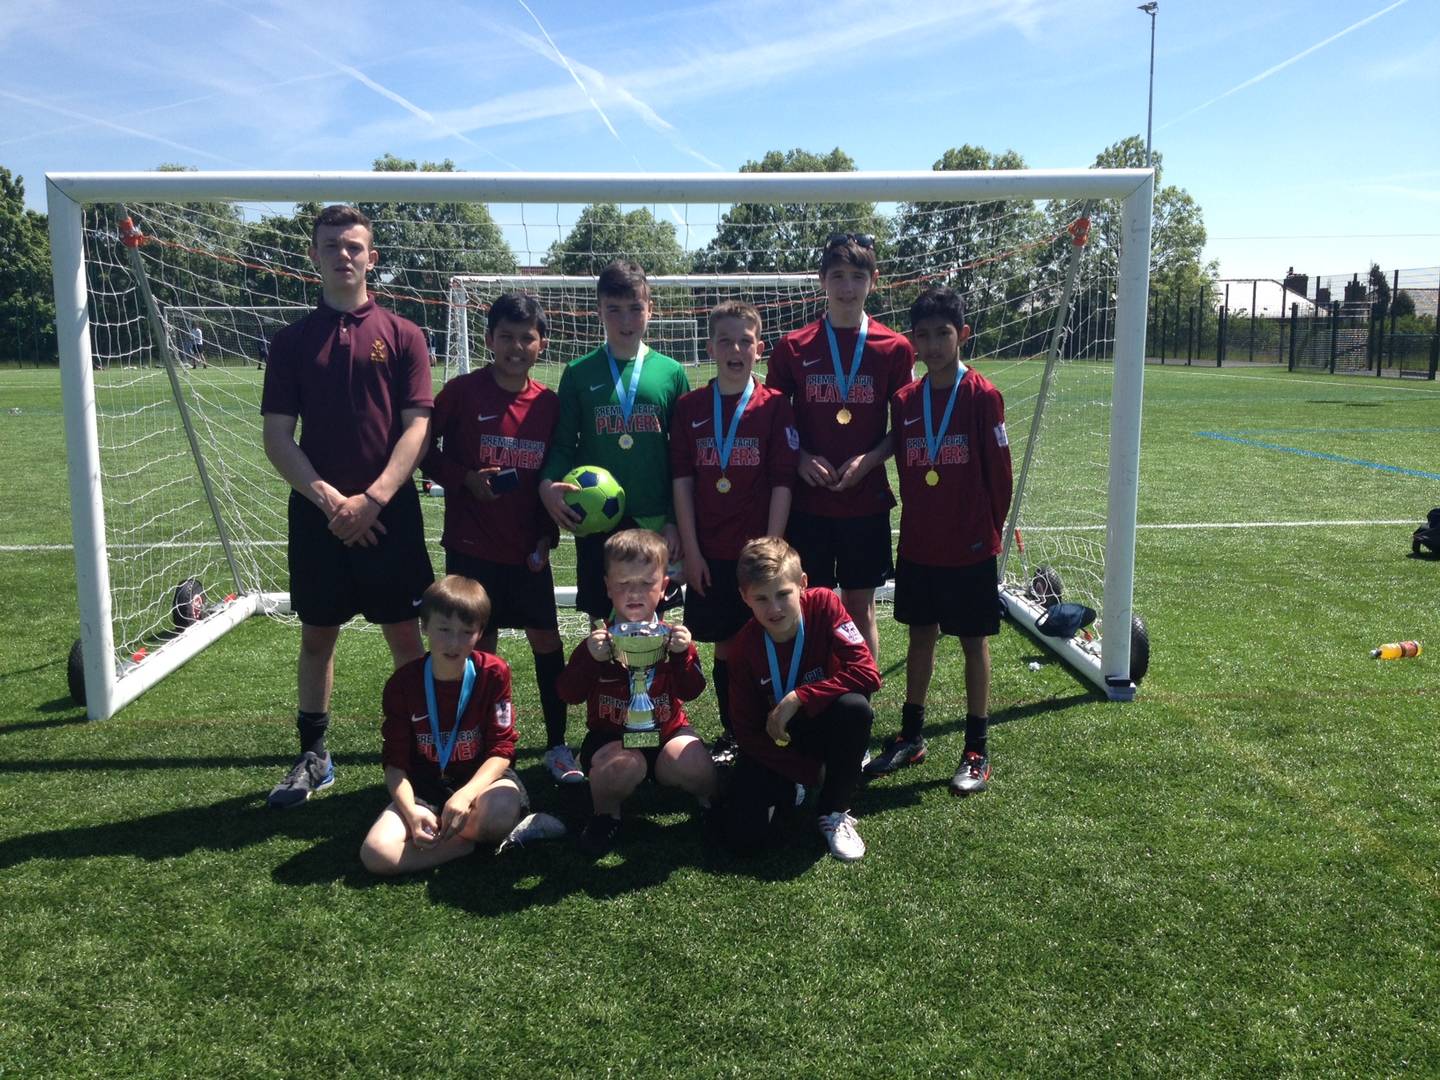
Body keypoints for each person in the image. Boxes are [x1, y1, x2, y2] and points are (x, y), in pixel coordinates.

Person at [260, 204, 434, 809]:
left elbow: (416, 428)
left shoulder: (405, 334)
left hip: (390, 514)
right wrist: (332, 501)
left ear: (371, 257)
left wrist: (373, 498)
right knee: (317, 637)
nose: (343, 255)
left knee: (407, 640)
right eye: (331, 245)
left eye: (354, 246)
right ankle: (314, 754)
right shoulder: (290, 342)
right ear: (313, 255)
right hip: (318, 518)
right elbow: (277, 436)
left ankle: (422, 747)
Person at [538, 260, 691, 784]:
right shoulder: (578, 374)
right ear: (598, 312)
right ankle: (608, 730)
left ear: (651, 310)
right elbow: (562, 446)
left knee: (657, 630)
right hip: (597, 528)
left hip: (652, 527)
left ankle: (660, 725)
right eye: (614, 309)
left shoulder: (670, 372)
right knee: (602, 631)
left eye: (635, 308)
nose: (626, 319)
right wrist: (546, 486)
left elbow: (682, 456)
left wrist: (674, 520)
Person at [863, 287, 1012, 796]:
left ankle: (976, 746)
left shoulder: (982, 395)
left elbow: (1000, 476)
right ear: (912, 340)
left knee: (974, 643)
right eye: (922, 335)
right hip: (920, 546)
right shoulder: (905, 400)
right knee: (920, 636)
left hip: (969, 547)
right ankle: (911, 734)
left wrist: (985, 533)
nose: (932, 345)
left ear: (962, 335)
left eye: (942, 334)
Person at [421, 292, 570, 784]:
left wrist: (549, 534)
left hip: (528, 550)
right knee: (478, 648)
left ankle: (556, 744)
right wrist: (464, 478)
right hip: (473, 548)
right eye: (505, 336)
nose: (515, 346)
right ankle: (482, 747)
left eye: (526, 337)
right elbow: (423, 450)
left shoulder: (549, 404)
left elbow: (553, 472)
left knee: (546, 640)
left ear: (540, 344)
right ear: (488, 339)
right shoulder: (462, 392)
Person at [765, 233, 914, 667]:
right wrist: (799, 458)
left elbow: (904, 427)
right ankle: (808, 689)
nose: (847, 287)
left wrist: (869, 461)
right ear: (822, 280)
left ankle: (859, 696)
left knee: (859, 607)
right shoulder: (794, 346)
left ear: (874, 280)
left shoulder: (895, 347)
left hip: (864, 500)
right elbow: (772, 420)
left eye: (857, 276)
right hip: (807, 502)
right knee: (805, 605)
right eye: (838, 276)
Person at [670, 301, 798, 767]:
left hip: (759, 553)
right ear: (710, 348)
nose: (735, 349)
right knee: (726, 644)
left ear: (759, 349)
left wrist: (773, 548)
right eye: (725, 340)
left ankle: (774, 725)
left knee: (769, 639)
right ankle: (732, 731)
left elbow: (783, 480)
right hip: (711, 554)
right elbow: (682, 483)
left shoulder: (776, 406)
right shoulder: (690, 408)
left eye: (745, 340)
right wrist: (693, 553)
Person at [556, 529, 715, 857]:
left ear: (664, 587)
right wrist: (588, 658)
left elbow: (694, 689)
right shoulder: (599, 640)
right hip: (611, 736)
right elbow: (568, 693)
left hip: (666, 731)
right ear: (607, 586)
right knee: (621, 767)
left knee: (697, 766)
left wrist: (682, 656)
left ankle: (712, 803)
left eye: (646, 583)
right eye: (624, 583)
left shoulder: (673, 637)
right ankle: (606, 815)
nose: (634, 593)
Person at [724, 537, 880, 862]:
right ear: (744, 597)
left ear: (802, 584)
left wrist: (800, 696)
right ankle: (795, 784)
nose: (775, 608)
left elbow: (867, 673)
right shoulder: (742, 648)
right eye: (761, 599)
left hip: (826, 724)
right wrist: (803, 770)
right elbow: (747, 732)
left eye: (783, 594)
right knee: (741, 836)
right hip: (778, 741)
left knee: (855, 708)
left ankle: (835, 810)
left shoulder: (824, 605)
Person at [359, 576, 528, 874]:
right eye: (444, 630)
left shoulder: (494, 673)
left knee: (500, 811)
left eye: (466, 632)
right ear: (424, 627)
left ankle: (462, 832)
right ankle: (462, 843)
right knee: (376, 854)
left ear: (480, 633)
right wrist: (411, 812)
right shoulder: (403, 684)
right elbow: (395, 763)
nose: (454, 643)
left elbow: (502, 749)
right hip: (426, 786)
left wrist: (466, 795)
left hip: (481, 780)